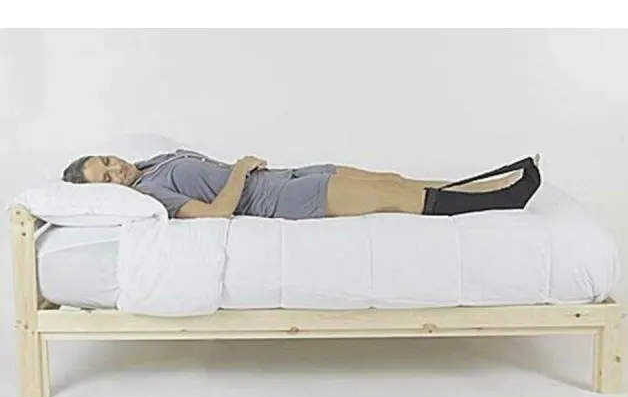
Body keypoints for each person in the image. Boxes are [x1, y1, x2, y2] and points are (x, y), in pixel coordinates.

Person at [61, 148, 541, 220]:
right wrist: (241, 168)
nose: (115, 169)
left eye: (107, 161)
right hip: (279, 200)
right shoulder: (150, 194)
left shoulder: (151, 163)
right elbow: (216, 213)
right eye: (107, 178)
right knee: (390, 197)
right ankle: (505, 201)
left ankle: (486, 184)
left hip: (284, 177)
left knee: (390, 179)